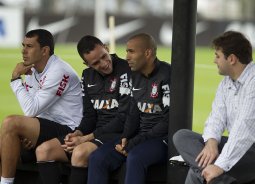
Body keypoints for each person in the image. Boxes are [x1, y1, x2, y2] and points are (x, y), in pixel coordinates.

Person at [173, 31, 255, 184]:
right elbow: (216, 118)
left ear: (231, 59)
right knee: (182, 137)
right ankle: (222, 181)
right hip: (243, 146)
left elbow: (244, 131)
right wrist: (211, 143)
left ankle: (220, 179)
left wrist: (219, 166)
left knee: (197, 168)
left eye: (217, 56)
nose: (214, 61)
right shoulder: (226, 82)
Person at [35, 35, 131, 184]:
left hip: (118, 133)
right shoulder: (87, 76)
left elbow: (123, 118)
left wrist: (85, 138)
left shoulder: (127, 70)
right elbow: (89, 115)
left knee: (80, 153)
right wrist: (78, 133)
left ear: (106, 48)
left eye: (104, 57)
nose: (104, 64)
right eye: (96, 63)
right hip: (95, 133)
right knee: (44, 151)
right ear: (86, 64)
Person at [0, 29, 83, 184]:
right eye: (23, 45)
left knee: (10, 122)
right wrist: (29, 133)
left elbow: (30, 109)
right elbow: (34, 112)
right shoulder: (33, 70)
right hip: (49, 125)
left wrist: (15, 79)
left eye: (29, 46)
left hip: (70, 129)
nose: (23, 51)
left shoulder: (59, 71)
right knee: (4, 140)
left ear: (44, 50)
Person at [87, 33, 171, 184]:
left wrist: (136, 141)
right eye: (126, 52)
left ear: (147, 53)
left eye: (131, 51)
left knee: (135, 157)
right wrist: (126, 137)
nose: (126, 57)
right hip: (138, 137)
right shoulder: (134, 75)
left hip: (162, 140)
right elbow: (133, 112)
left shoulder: (167, 75)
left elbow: (168, 120)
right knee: (97, 158)